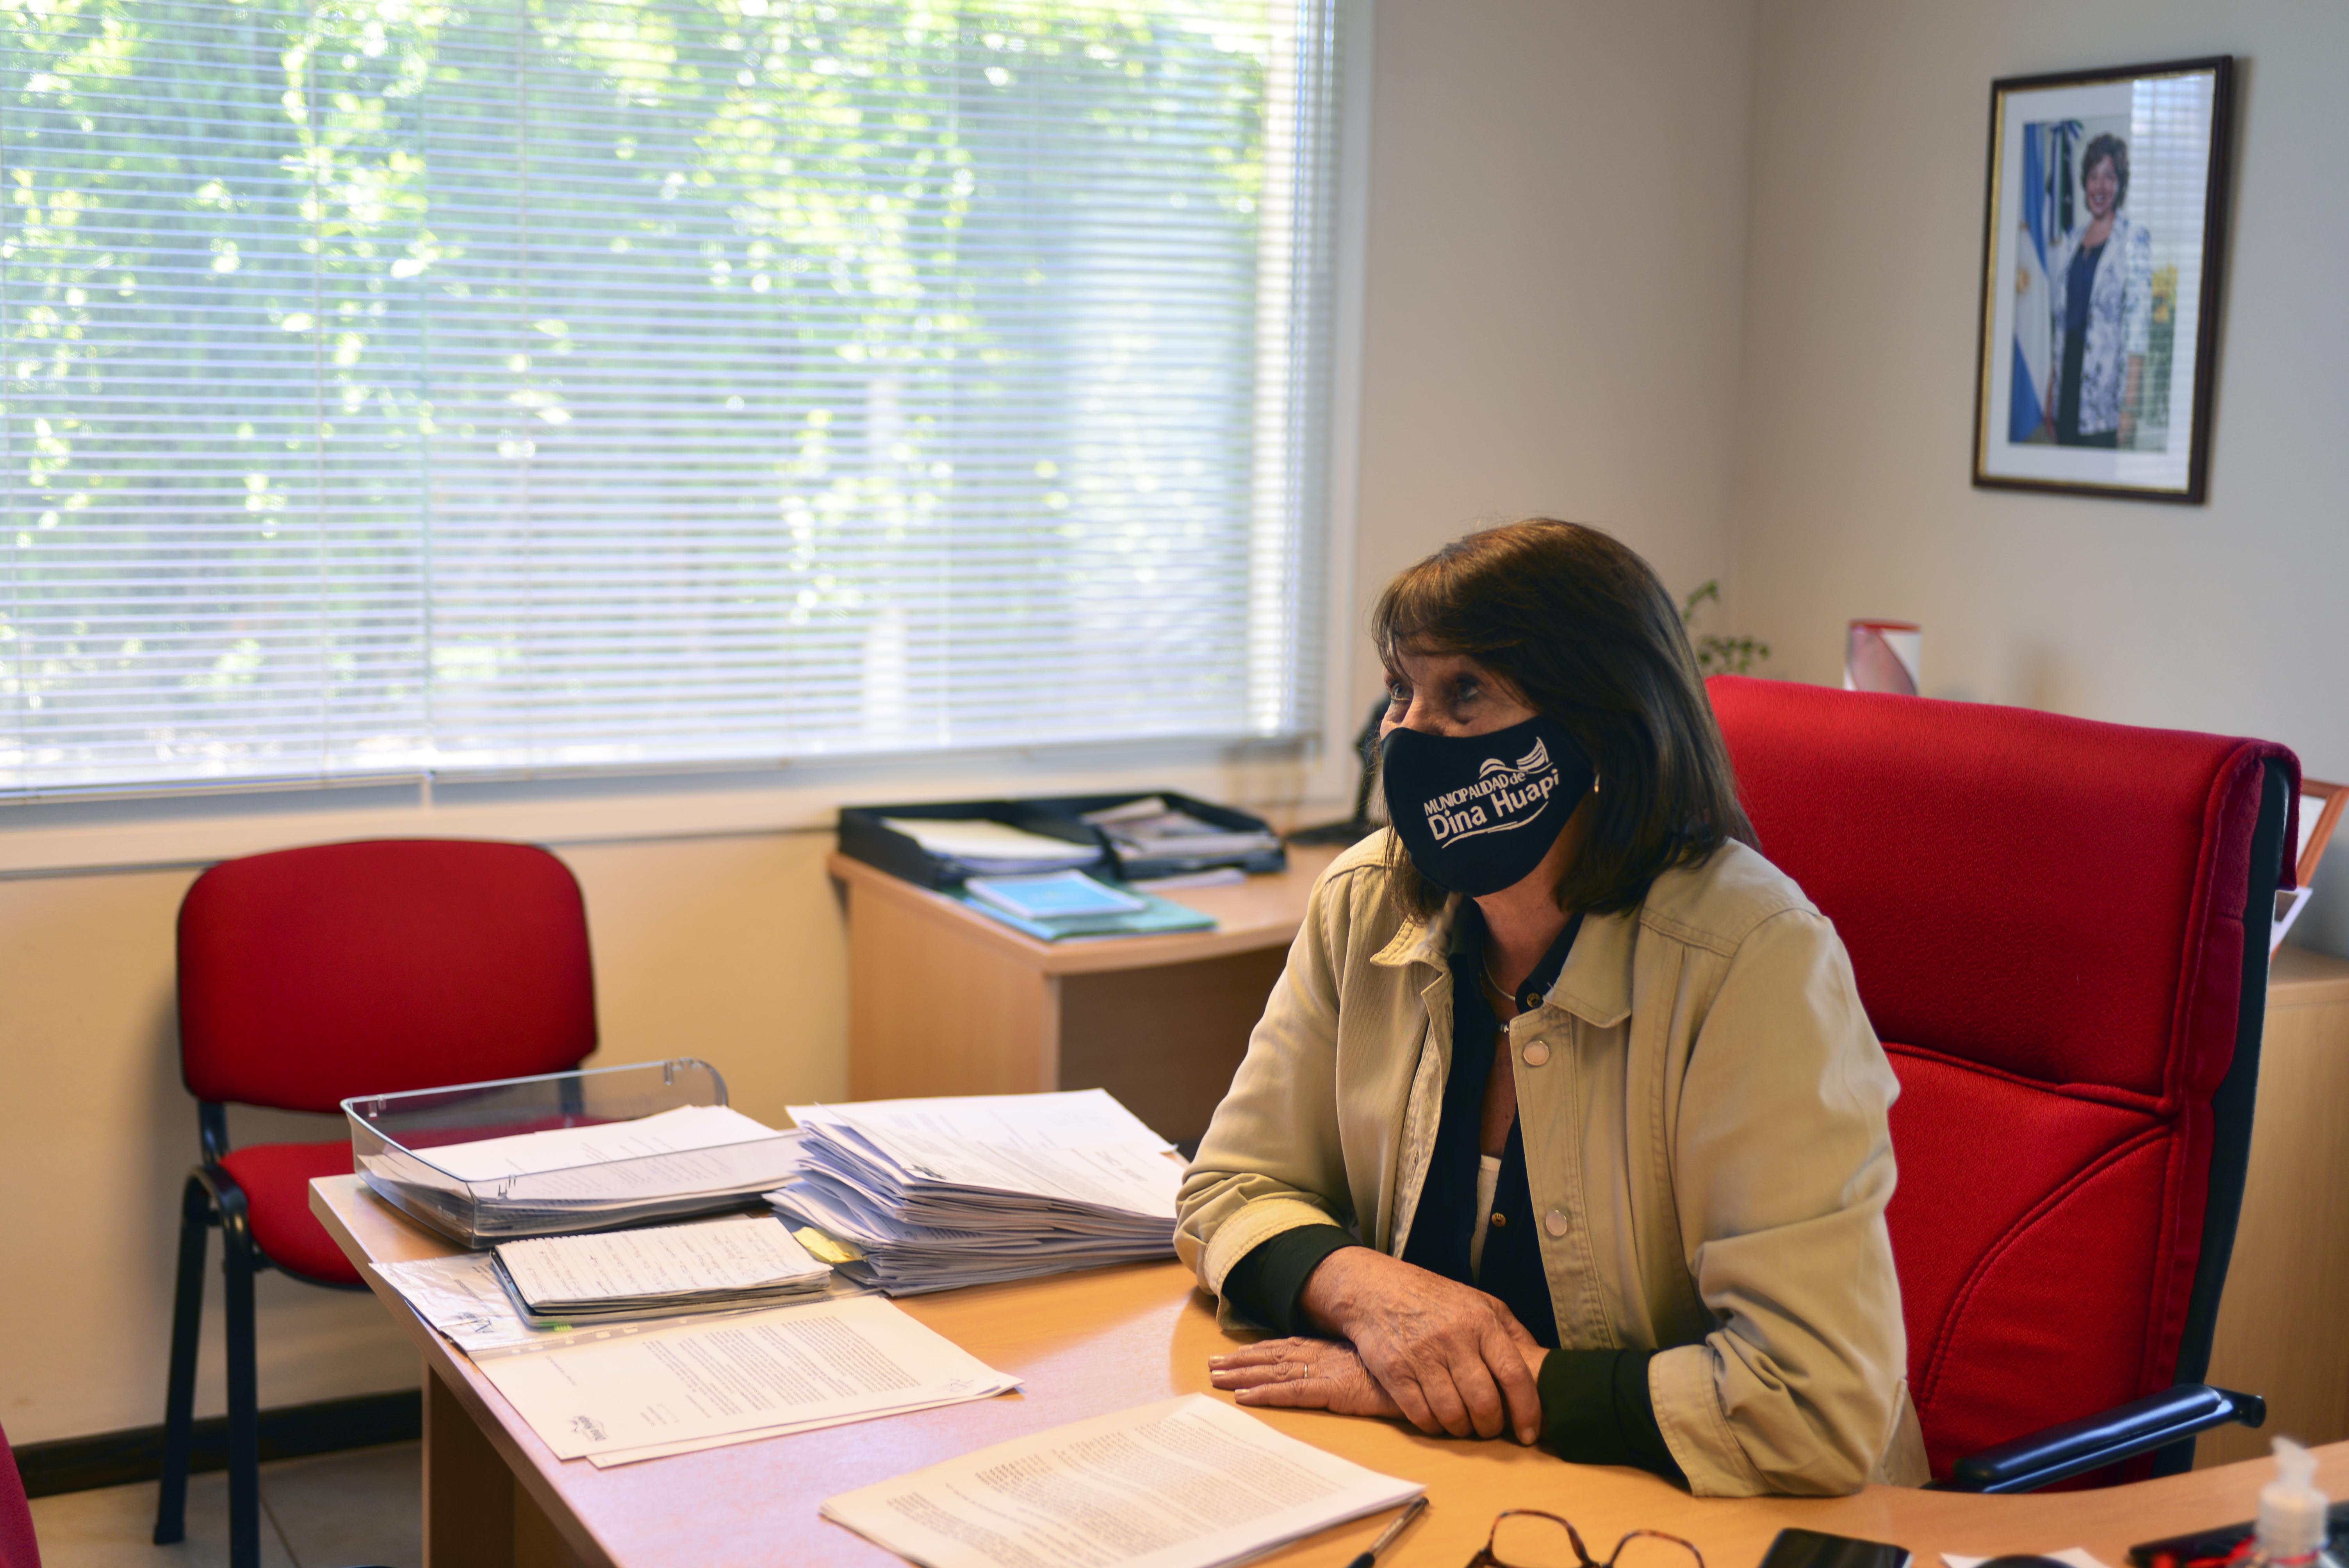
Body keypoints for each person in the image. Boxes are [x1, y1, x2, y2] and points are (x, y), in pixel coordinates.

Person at [1176, 520, 1929, 1496]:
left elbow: (1811, 1404)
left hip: (1723, 1519)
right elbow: (1228, 1186)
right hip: (1448, 1482)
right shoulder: (1366, 899)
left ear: (1599, 729)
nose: (1405, 733)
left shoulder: (1755, 961)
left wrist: (1486, 1378)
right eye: (1402, 689)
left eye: (1464, 693)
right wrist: (1372, 1292)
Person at [2045, 132, 2153, 448]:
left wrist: (2129, 409)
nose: (2100, 187)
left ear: (2120, 184)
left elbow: (2138, 330)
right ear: (2084, 183)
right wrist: (2052, 390)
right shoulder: (2071, 240)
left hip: (2105, 403)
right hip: (2067, 393)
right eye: (2093, 177)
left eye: (2110, 177)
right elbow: (2063, 324)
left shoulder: (2134, 239)